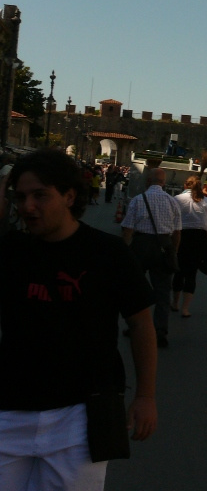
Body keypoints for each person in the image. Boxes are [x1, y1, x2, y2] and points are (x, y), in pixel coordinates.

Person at [0, 150, 157, 489]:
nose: (28, 206)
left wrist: (145, 396)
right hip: (9, 410)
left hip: (81, 417)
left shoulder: (109, 254)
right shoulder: (10, 252)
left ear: (69, 196)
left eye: (40, 195)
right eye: (20, 196)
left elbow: (141, 323)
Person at [121, 166, 181, 349]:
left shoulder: (139, 200)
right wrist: (173, 252)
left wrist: (125, 251)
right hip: (164, 246)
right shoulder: (172, 202)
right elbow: (177, 232)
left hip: (141, 245)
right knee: (163, 291)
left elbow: (128, 227)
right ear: (163, 183)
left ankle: (136, 327)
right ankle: (160, 332)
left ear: (148, 181)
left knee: (137, 289)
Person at [172, 175, 207, 318]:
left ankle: (175, 303)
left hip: (181, 236)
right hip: (199, 239)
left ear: (185, 185)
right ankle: (185, 308)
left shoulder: (177, 199)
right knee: (192, 273)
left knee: (178, 270)